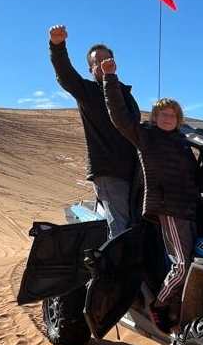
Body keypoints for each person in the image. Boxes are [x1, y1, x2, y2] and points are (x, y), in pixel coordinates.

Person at [101, 57, 203, 333]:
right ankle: (158, 304)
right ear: (155, 118)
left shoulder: (182, 143)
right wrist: (110, 79)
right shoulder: (146, 136)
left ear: (178, 119)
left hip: (189, 207)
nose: (168, 118)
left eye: (172, 115)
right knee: (182, 265)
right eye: (163, 115)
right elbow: (118, 116)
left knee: (189, 265)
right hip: (167, 208)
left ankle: (178, 313)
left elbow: (200, 178)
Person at [48, 25, 141, 238]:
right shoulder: (88, 93)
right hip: (109, 171)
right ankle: (116, 270)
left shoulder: (125, 94)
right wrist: (57, 46)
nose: (102, 65)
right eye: (96, 63)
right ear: (91, 70)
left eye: (106, 60)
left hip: (135, 171)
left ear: (115, 63)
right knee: (121, 226)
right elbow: (65, 74)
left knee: (137, 221)